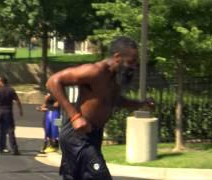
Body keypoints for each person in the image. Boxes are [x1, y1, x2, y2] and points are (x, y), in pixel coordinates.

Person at [46, 36, 154, 180]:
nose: (134, 66)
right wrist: (75, 117)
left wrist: (141, 104)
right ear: (117, 57)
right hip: (77, 136)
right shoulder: (95, 71)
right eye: (131, 61)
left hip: (93, 136)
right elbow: (53, 82)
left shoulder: (115, 79)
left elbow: (116, 101)